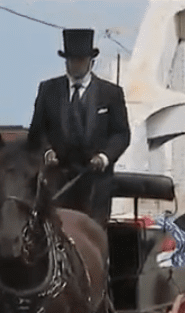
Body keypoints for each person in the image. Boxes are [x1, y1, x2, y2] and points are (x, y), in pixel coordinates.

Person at [27, 28, 131, 227]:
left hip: (95, 185)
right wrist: (47, 151)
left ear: (91, 62)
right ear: (66, 61)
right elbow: (37, 132)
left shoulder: (111, 94)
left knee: (92, 236)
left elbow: (121, 134)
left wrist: (104, 157)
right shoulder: (48, 90)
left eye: (80, 60)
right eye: (72, 60)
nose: (76, 65)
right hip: (59, 184)